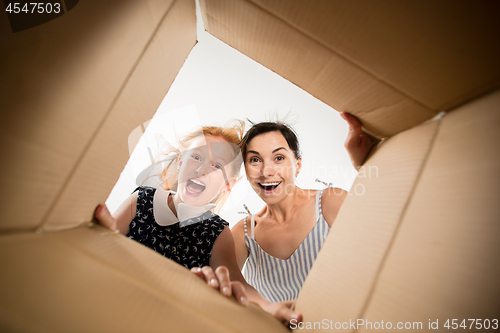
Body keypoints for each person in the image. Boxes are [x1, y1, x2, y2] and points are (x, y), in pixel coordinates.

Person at [94, 122, 301, 324]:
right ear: (181, 162)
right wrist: (104, 232)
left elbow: (238, 282)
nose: (202, 169)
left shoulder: (218, 232)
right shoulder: (141, 200)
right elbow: (106, 237)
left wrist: (269, 307)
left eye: (217, 166)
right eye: (196, 157)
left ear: (228, 185)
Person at [195, 113, 375, 304]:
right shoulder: (244, 234)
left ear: (298, 164)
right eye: (255, 160)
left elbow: (385, 236)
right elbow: (216, 291)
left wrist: (364, 165)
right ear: (245, 170)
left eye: (278, 158)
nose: (266, 172)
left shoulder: (329, 202)